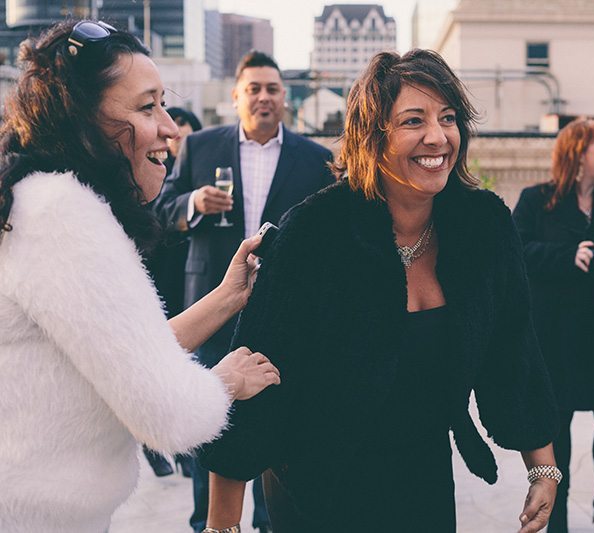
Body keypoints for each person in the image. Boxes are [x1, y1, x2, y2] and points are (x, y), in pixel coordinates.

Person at [197, 49, 560, 533]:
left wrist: (542, 466)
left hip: (422, 480)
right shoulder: (315, 230)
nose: (437, 136)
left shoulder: (484, 225)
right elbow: (255, 375)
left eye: (448, 118)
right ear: (373, 137)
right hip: (313, 484)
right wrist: (223, 525)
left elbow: (513, 349)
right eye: (414, 120)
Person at [0, 20, 280, 532]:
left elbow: (125, 355)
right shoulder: (63, 215)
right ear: (82, 119)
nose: (170, 128)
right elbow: (167, 414)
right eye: (146, 107)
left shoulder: (40, 201)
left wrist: (228, 295)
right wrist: (229, 380)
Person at [154, 50, 334, 533]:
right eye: (253, 88)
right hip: (210, 310)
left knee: (276, 433)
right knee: (206, 432)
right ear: (236, 97)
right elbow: (161, 210)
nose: (263, 96)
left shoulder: (317, 159)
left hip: (283, 318)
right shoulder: (200, 147)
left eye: (272, 89)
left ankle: (267, 525)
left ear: (284, 99)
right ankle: (206, 525)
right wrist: (193, 203)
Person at [512, 118, 594, 532]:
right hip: (555, 343)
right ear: (578, 153)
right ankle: (556, 520)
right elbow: (516, 251)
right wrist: (564, 255)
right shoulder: (535, 199)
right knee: (556, 438)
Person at [142, 106, 204, 479]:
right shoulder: (151, 175)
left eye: (183, 126)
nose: (175, 132)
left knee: (185, 360)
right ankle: (154, 445)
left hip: (190, 277)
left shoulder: (200, 170)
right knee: (159, 360)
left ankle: (182, 445)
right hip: (159, 274)